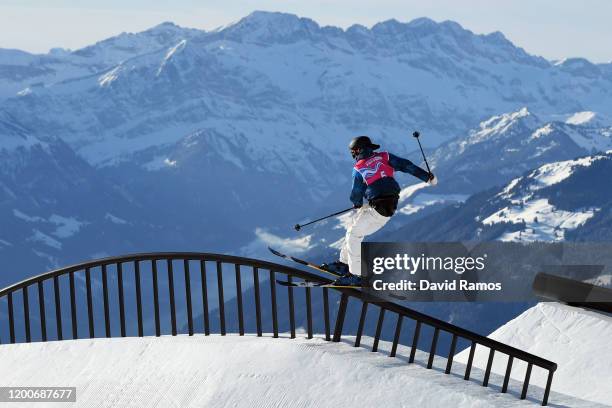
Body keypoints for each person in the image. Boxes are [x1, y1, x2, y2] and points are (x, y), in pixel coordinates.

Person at [323, 136, 437, 286]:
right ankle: (344, 263)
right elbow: (406, 165)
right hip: (386, 205)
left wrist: (357, 204)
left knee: (353, 234)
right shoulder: (385, 157)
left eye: (353, 152)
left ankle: (356, 275)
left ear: (358, 151)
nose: (353, 155)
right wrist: (426, 177)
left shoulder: (358, 169)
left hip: (378, 210)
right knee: (353, 227)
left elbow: (356, 193)